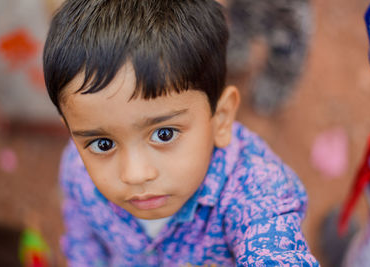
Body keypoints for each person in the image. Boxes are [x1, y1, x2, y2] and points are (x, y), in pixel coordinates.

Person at [43, 0, 319, 265]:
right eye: (103, 144)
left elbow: (273, 243)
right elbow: (83, 236)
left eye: (164, 134)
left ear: (221, 119)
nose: (135, 175)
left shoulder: (253, 188)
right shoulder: (76, 171)